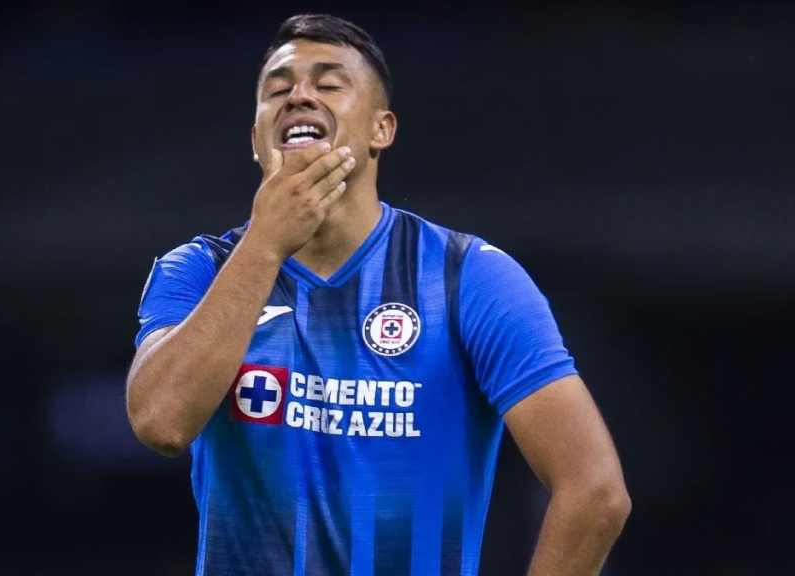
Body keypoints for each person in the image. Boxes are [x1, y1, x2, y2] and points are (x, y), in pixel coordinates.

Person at [126, 13, 630, 576]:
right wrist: (266, 244)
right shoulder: (197, 269)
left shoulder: (469, 278)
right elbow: (161, 423)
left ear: (380, 130)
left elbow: (595, 492)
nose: (299, 97)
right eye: (277, 89)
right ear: (255, 140)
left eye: (328, 84)